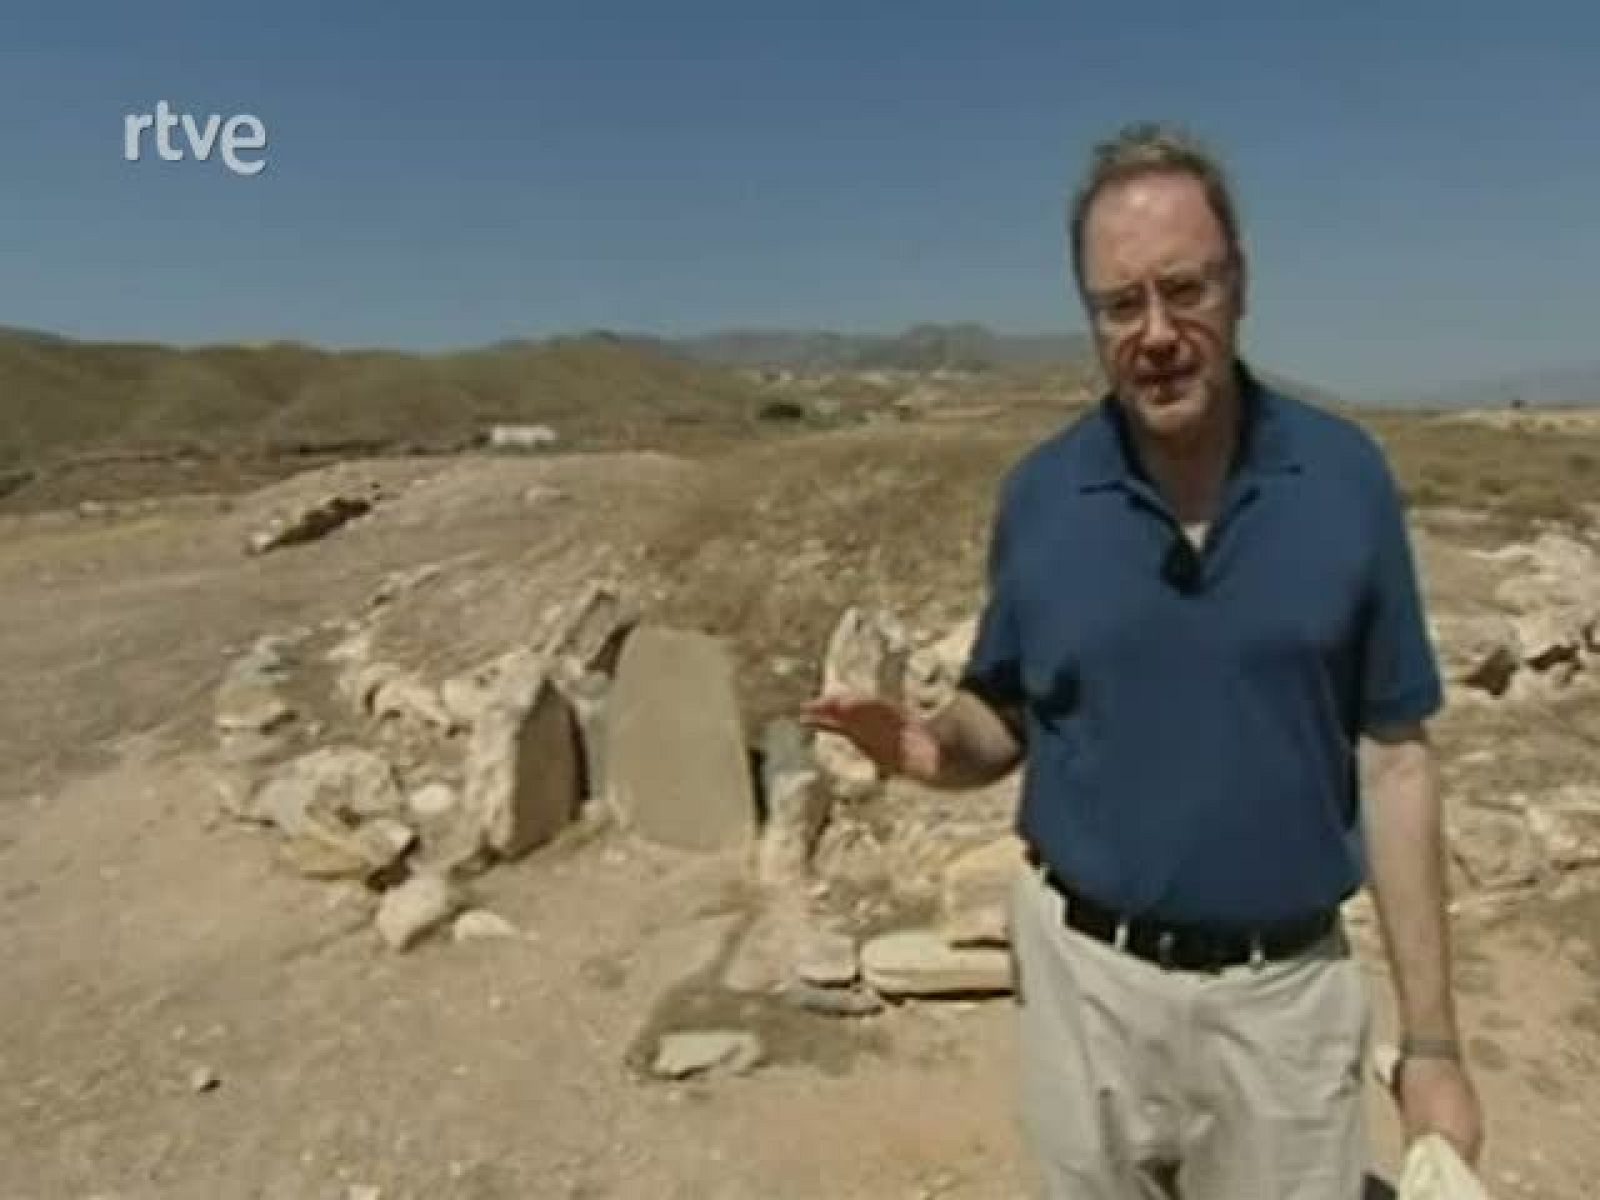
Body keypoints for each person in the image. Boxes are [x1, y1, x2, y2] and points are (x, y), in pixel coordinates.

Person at [801, 121, 1484, 1199]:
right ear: (1091, 319)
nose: (1156, 332)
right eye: (1121, 304)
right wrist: (928, 749)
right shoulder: (1039, 496)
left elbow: (1396, 761)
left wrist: (1434, 1046)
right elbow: (1006, 716)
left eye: (1184, 290)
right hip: (1085, 995)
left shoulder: (1345, 479)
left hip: (1281, 1004)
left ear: (1238, 287)